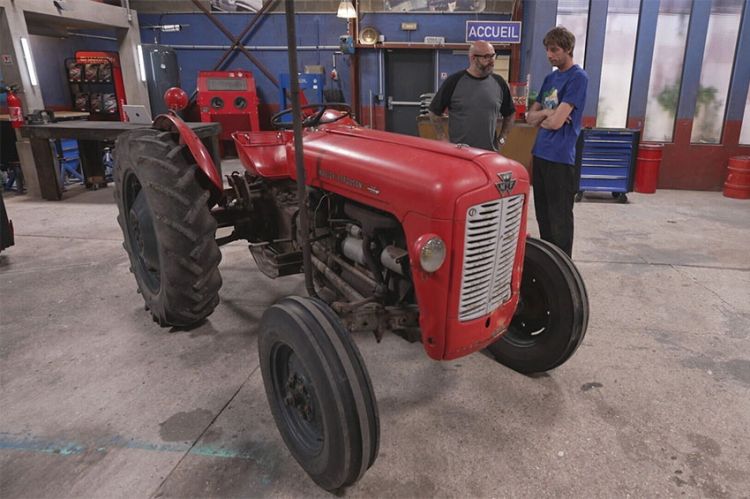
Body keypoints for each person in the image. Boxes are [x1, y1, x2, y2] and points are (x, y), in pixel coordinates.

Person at [526, 26, 588, 258]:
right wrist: (547, 114)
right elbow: (530, 117)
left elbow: (556, 123)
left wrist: (548, 116)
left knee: (560, 220)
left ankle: (563, 270)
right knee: (544, 217)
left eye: (555, 50)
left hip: (561, 158)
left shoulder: (578, 78)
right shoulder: (550, 78)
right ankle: (549, 266)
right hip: (540, 154)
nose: (550, 55)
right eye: (547, 50)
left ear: (568, 49)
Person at [428, 40, 515, 152]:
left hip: (488, 154)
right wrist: (442, 138)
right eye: (487, 57)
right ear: (473, 58)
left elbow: (510, 113)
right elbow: (434, 112)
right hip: (459, 154)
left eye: (493, 56)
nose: (492, 61)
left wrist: (502, 139)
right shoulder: (453, 82)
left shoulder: (499, 83)